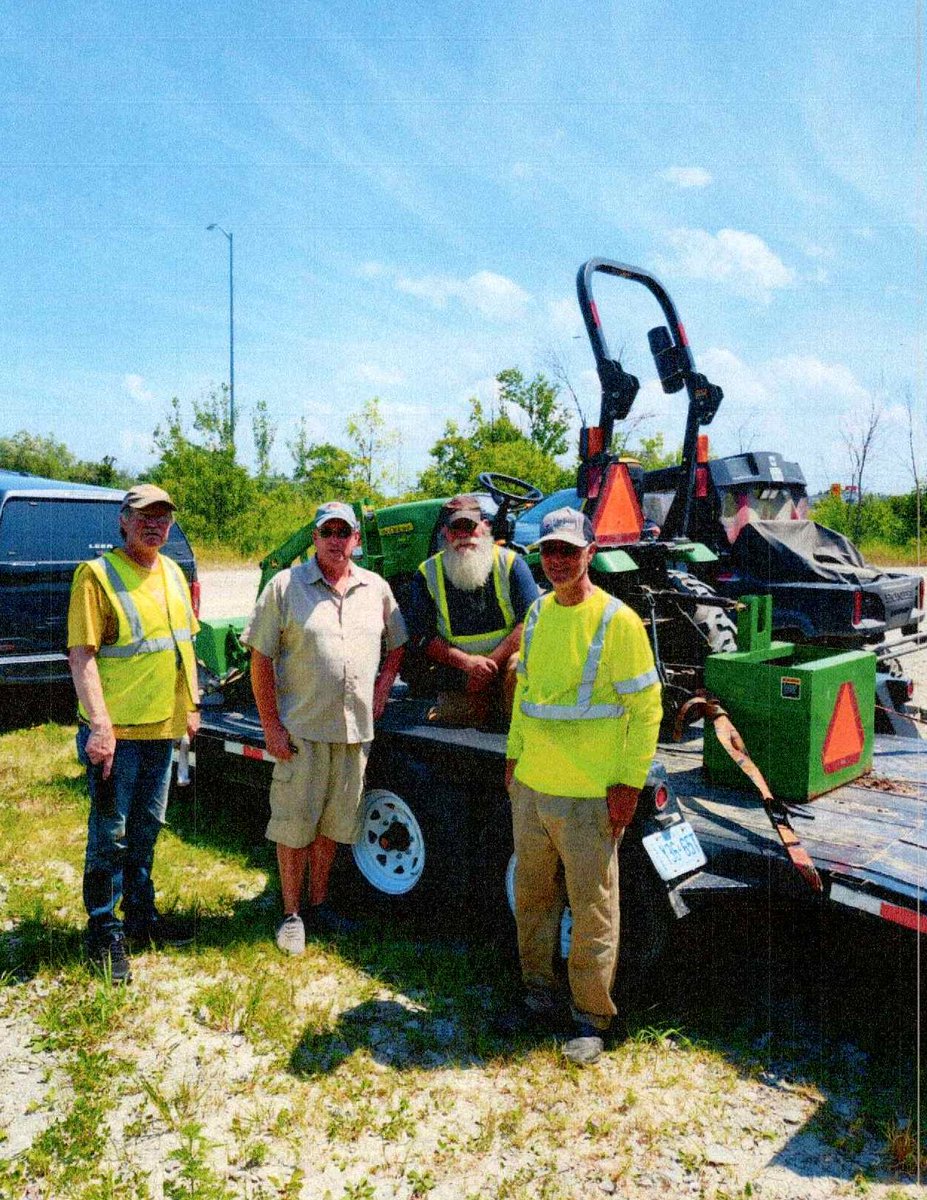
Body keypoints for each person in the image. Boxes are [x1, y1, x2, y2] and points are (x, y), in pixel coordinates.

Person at [504, 507, 662, 1065]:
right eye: (549, 550)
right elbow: (526, 694)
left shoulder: (617, 622)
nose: (557, 560)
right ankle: (536, 996)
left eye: (569, 551)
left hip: (591, 795)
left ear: (590, 553)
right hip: (533, 788)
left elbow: (646, 710)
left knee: (592, 908)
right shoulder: (539, 614)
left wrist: (628, 782)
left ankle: (591, 1017)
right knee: (533, 898)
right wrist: (514, 756)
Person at [244, 500, 407, 955]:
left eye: (344, 532)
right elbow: (259, 658)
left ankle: (319, 904)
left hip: (355, 733)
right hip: (302, 731)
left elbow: (398, 644)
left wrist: (382, 689)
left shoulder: (375, 588)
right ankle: (292, 915)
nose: (336, 540)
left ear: (356, 539)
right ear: (314, 538)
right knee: (295, 826)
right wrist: (271, 726)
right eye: (327, 532)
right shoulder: (285, 586)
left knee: (333, 827)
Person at [68, 483, 200, 985]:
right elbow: (82, 657)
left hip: (162, 728)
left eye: (163, 517)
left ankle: (140, 916)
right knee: (110, 834)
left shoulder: (170, 569)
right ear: (123, 520)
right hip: (116, 734)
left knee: (148, 828)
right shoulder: (96, 575)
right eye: (145, 516)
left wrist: (189, 703)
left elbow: (182, 641)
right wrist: (100, 725)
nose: (155, 525)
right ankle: (103, 928)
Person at [406, 493, 539, 727]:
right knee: (452, 720)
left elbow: (529, 622)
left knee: (519, 666)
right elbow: (421, 636)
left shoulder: (511, 564)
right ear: (445, 533)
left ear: (485, 527)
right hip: (461, 674)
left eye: (471, 526)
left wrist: (487, 667)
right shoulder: (427, 573)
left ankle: (522, 733)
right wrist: (468, 664)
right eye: (456, 528)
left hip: (506, 670)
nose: (464, 535)